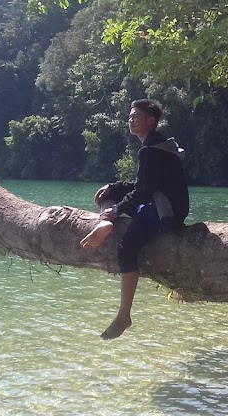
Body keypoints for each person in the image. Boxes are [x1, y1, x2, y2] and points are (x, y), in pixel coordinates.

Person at [80, 99, 189, 339]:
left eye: (135, 116)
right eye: (129, 116)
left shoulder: (152, 150)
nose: (130, 120)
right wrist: (113, 188)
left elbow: (145, 191)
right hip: (163, 204)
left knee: (126, 248)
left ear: (150, 121)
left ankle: (124, 315)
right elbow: (143, 185)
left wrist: (117, 209)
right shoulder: (156, 146)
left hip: (164, 212)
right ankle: (105, 222)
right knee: (108, 193)